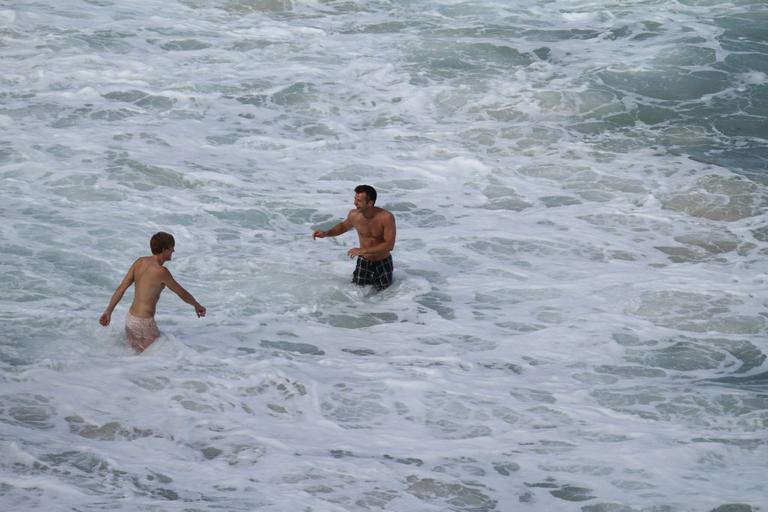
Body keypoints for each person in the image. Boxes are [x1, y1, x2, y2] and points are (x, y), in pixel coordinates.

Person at [99, 232, 206, 352]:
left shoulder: (139, 262)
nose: (173, 251)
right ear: (165, 249)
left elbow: (121, 288)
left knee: (137, 359)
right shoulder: (161, 272)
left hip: (130, 319)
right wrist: (197, 305)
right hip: (144, 324)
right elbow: (182, 293)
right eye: (171, 248)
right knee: (156, 360)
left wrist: (108, 311)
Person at [313, 184, 396, 290]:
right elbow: (343, 226)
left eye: (359, 201)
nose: (355, 203)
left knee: (385, 295)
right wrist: (325, 233)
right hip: (364, 261)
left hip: (383, 262)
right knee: (357, 292)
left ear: (370, 203)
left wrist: (362, 250)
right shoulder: (354, 215)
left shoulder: (386, 217)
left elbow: (389, 245)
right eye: (355, 199)